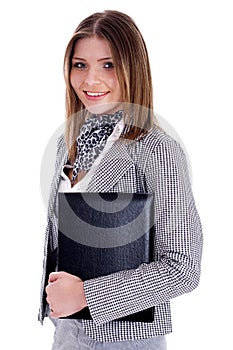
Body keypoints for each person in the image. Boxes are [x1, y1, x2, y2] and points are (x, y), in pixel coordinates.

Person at [39, 10, 203, 349]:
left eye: (108, 65)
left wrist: (87, 295)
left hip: (124, 339)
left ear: (133, 68)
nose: (90, 81)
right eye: (80, 65)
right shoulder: (66, 143)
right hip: (67, 335)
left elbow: (184, 267)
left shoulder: (156, 149)